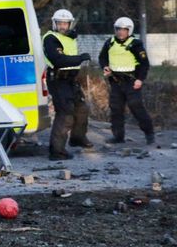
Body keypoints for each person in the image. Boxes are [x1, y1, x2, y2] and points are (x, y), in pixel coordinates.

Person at [41, 9, 93, 160]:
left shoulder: (70, 38)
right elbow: (59, 60)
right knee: (65, 114)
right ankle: (57, 151)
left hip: (70, 80)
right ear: (54, 23)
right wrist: (80, 58)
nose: (63, 26)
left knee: (82, 108)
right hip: (58, 80)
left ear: (70, 24)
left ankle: (77, 138)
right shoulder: (50, 38)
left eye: (65, 23)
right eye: (60, 23)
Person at [98, 17, 155, 146]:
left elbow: (144, 64)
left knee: (136, 107)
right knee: (116, 110)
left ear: (129, 30)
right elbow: (102, 57)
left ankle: (149, 134)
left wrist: (140, 79)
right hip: (116, 82)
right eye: (118, 29)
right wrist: (105, 66)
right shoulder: (109, 42)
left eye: (124, 30)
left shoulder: (135, 44)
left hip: (132, 82)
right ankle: (118, 137)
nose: (120, 32)